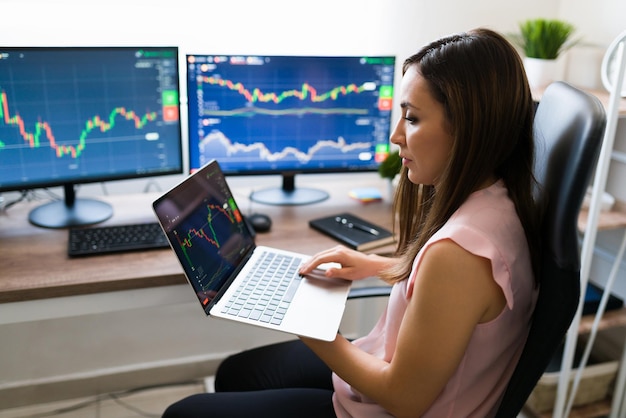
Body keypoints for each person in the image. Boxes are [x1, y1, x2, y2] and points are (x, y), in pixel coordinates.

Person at [163, 27, 541, 418]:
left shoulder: (459, 256)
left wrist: (305, 321)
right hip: (397, 375)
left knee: (185, 412)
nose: (396, 136)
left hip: (392, 406)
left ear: (468, 128)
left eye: (411, 118)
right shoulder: (499, 203)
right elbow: (455, 299)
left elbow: (404, 399)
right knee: (236, 373)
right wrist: (383, 266)